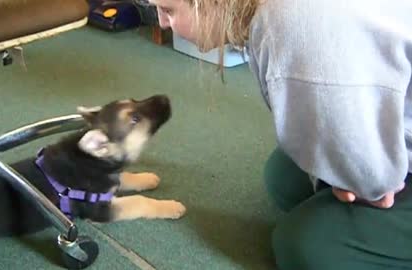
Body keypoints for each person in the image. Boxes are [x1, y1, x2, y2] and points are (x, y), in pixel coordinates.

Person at [146, 0, 412, 269]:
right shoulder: (265, 16)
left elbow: (377, 183)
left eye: (168, 10)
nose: (162, 23)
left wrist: (359, 178)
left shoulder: (288, 26)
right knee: (283, 178)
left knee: (306, 247)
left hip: (396, 158)